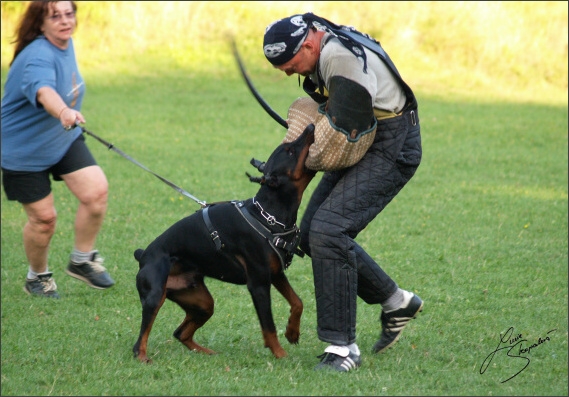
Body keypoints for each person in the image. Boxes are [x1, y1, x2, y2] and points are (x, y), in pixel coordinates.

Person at [262, 13, 423, 371]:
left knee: (328, 229)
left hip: (390, 144)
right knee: (310, 234)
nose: (290, 73)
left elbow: (342, 136)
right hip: (366, 137)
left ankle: (342, 349)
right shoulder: (322, 49)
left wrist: (299, 155)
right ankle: (397, 302)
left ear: (308, 44)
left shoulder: (341, 58)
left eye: (290, 65)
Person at [1, 1, 114, 299]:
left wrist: (66, 117)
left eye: (69, 14)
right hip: (22, 150)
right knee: (44, 220)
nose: (65, 21)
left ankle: (82, 260)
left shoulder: (66, 43)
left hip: (61, 138)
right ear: (41, 23)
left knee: (96, 193)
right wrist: (64, 111)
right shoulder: (37, 55)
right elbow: (43, 90)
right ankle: (37, 277)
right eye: (56, 17)